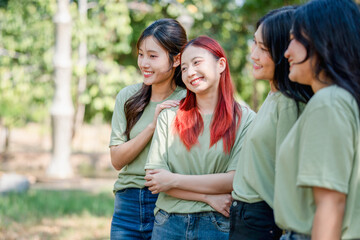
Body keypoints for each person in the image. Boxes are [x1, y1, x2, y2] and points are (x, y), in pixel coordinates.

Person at [144, 36, 256, 240]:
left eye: (197, 62)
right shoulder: (169, 116)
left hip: (217, 225)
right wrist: (207, 197)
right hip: (168, 223)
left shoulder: (246, 119)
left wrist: (173, 180)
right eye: (184, 68)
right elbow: (155, 181)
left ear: (221, 64)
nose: (190, 72)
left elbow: (233, 180)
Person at [273, 0, 360, 239]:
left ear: (323, 39)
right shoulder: (339, 100)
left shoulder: (329, 103)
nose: (287, 51)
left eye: (294, 39)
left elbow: (331, 204)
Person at [229, 6, 313, 240]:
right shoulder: (274, 97)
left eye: (263, 48)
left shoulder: (289, 104)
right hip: (245, 214)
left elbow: (290, 177)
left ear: (284, 51)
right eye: (254, 43)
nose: (253, 54)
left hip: (262, 219)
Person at [109, 18, 188, 240]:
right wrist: (153, 126)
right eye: (141, 54)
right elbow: (116, 159)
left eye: (153, 56)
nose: (144, 62)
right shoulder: (128, 97)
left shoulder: (188, 101)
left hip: (170, 203)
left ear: (176, 59)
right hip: (127, 205)